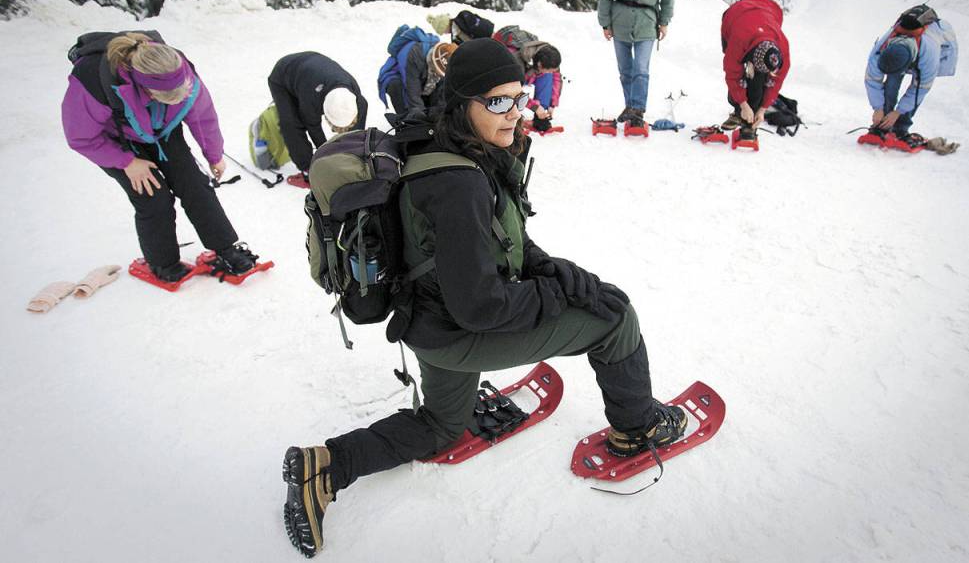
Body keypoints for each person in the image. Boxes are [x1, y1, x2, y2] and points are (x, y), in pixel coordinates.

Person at [281, 39, 687, 558]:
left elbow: (499, 237)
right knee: (616, 319)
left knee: (441, 426)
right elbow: (483, 307)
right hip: (458, 328)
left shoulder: (439, 145)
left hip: (425, 325)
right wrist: (553, 291)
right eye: (498, 102)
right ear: (463, 102)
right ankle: (638, 428)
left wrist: (551, 268)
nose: (516, 113)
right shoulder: (460, 183)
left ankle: (326, 466)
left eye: (520, 98)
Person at [62, 32, 257, 282]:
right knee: (153, 197)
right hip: (117, 141)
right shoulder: (91, 80)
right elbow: (80, 137)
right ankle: (163, 264)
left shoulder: (180, 70)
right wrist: (128, 162)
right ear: (145, 87)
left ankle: (226, 249)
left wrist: (214, 155)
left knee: (195, 184)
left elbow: (202, 115)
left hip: (161, 130)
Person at [597, 0, 674, 126]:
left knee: (641, 68)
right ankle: (629, 105)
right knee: (625, 70)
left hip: (646, 24)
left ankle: (638, 109)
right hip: (620, 22)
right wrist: (605, 23)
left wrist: (664, 22)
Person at [268, 52, 369, 185]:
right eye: (337, 128)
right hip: (283, 76)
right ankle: (307, 170)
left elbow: (356, 133)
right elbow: (313, 127)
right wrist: (328, 158)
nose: (339, 130)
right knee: (292, 124)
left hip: (311, 68)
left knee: (352, 140)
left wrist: (354, 153)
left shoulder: (355, 97)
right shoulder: (311, 101)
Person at [864, 8, 958, 140]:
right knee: (891, 84)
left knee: (917, 87)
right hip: (904, 52)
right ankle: (882, 125)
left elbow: (920, 88)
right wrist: (878, 108)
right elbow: (872, 79)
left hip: (937, 48)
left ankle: (900, 129)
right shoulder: (881, 49)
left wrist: (899, 112)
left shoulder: (929, 54)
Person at [719, 0, 791, 142]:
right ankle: (740, 111)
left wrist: (763, 108)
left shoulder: (783, 49)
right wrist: (743, 104)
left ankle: (749, 122)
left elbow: (775, 83)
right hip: (735, 15)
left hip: (770, 11)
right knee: (739, 74)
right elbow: (732, 76)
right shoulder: (738, 42)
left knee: (760, 78)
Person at [382, 38, 456, 124]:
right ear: (432, 61)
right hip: (401, 77)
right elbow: (413, 93)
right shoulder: (415, 55)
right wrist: (420, 121)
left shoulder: (445, 63)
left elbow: (442, 96)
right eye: (436, 71)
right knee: (397, 89)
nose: (438, 74)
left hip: (423, 78)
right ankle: (404, 126)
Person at [524, 44, 562, 132]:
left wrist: (552, 104)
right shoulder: (518, 62)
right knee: (510, 95)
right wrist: (534, 107)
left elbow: (556, 80)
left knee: (547, 76)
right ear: (540, 65)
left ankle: (540, 120)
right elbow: (513, 93)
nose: (552, 72)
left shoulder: (550, 59)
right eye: (550, 70)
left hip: (532, 73)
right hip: (515, 78)